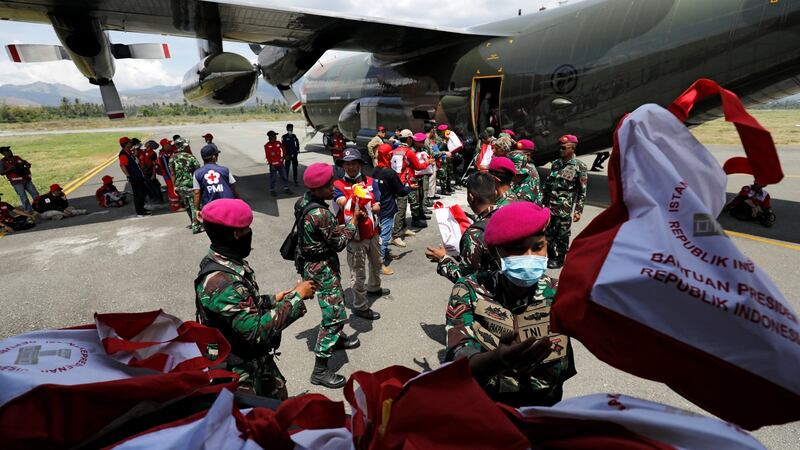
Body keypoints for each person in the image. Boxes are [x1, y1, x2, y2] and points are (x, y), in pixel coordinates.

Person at [444, 201, 576, 407]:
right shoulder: (470, 289)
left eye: (538, 247)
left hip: (545, 408)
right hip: (490, 410)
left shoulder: (560, 291)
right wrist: (498, 360)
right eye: (517, 250)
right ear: (495, 252)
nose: (530, 257)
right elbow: (457, 359)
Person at [195, 198, 316, 399]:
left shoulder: (221, 259)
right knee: (259, 420)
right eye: (246, 230)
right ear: (235, 234)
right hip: (239, 370)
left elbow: (241, 304)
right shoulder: (224, 281)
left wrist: (274, 299)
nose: (249, 234)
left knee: (279, 396)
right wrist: (296, 297)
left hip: (254, 358)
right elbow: (256, 331)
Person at [295, 163, 363, 389]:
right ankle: (320, 370)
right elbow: (339, 242)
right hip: (322, 268)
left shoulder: (303, 201)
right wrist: (353, 222)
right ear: (317, 189)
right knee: (334, 315)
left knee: (336, 301)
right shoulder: (320, 214)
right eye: (328, 186)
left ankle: (338, 339)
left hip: (314, 264)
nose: (333, 188)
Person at [334, 148, 390, 319]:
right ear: (343, 166)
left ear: (360, 164)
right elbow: (343, 203)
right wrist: (358, 197)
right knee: (358, 272)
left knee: (376, 263)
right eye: (347, 164)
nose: (350, 167)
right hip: (354, 236)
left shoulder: (372, 181)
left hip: (372, 232)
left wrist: (372, 207)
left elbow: (379, 203)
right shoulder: (338, 185)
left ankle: (374, 287)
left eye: (354, 163)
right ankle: (360, 305)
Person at [425, 172, 499, 283]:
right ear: (495, 192)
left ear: (471, 196)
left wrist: (442, 259)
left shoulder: (474, 234)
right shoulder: (509, 213)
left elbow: (466, 278)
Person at [542, 134, 588, 269]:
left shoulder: (579, 166)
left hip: (564, 208)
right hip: (550, 206)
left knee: (562, 234)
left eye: (563, 148)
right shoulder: (556, 164)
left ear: (572, 149)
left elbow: (582, 191)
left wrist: (578, 210)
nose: (560, 150)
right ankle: (550, 256)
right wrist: (543, 204)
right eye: (560, 148)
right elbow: (548, 186)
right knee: (548, 233)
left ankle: (560, 258)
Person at [372, 144, 410, 276]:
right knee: (385, 236)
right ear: (388, 155)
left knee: (380, 232)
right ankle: (380, 264)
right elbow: (401, 191)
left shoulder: (376, 170)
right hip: (387, 208)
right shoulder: (389, 172)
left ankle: (386, 254)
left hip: (378, 207)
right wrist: (410, 187)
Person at [390, 129, 430, 246]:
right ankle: (396, 236)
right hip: (404, 182)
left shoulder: (395, 150)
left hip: (395, 181)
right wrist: (428, 162)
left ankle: (403, 228)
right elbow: (418, 166)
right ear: (409, 139)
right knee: (401, 209)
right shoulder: (408, 152)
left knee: (402, 205)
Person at [193, 145, 240, 221]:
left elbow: (196, 192)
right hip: (228, 205)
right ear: (214, 157)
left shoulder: (197, 173)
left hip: (210, 209)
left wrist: (196, 209)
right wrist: (239, 200)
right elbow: (233, 187)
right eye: (217, 155)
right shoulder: (225, 170)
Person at [169, 139, 202, 233]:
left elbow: (173, 174)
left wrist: (174, 186)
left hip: (179, 186)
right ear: (184, 146)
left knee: (187, 205)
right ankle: (196, 226)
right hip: (191, 185)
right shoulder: (190, 157)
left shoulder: (172, 158)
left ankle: (192, 222)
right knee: (194, 205)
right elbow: (198, 171)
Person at [0, 146, 39, 213]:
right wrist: (11, 169)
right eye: (8, 151)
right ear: (3, 153)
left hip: (26, 179)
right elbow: (1, 172)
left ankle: (39, 207)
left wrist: (27, 165)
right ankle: (28, 210)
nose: (10, 152)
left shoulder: (16, 157)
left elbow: (25, 163)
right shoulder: (2, 162)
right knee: (23, 197)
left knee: (35, 194)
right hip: (16, 182)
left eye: (10, 150)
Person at [118, 137, 149, 217]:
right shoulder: (123, 154)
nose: (131, 143)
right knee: (138, 195)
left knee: (143, 192)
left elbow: (135, 160)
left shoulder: (128, 152)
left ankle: (142, 209)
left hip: (139, 176)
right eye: (129, 142)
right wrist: (128, 176)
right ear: (125, 144)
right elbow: (122, 165)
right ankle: (140, 212)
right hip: (134, 177)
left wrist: (135, 154)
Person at [508, 139, 541, 205]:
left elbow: (523, 201)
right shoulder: (519, 167)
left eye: (517, 153)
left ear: (528, 155)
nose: (513, 154)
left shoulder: (530, 173)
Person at [158, 138, 182, 212]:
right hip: (169, 176)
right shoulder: (164, 156)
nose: (170, 145)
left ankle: (178, 205)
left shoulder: (169, 153)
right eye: (168, 144)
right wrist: (173, 179)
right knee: (173, 191)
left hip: (172, 175)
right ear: (164, 146)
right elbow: (167, 169)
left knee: (175, 190)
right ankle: (176, 207)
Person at [264, 130, 291, 197]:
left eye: (275, 135)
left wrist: (284, 156)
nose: (275, 137)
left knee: (284, 176)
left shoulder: (278, 143)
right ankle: (272, 190)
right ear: (270, 137)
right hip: (273, 165)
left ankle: (286, 188)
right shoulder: (267, 146)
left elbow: (283, 149)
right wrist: (271, 164)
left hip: (280, 163)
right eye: (274, 135)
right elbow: (268, 156)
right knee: (273, 178)